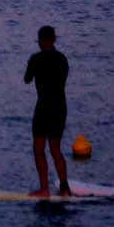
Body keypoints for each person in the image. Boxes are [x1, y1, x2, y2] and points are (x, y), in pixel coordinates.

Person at [24, 24, 72, 197]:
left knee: (39, 149)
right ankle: (65, 188)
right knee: (55, 149)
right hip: (60, 107)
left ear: (41, 41)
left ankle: (44, 189)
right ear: (54, 40)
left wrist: (31, 64)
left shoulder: (36, 59)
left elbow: (27, 79)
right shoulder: (62, 59)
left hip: (44, 107)